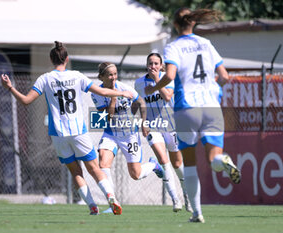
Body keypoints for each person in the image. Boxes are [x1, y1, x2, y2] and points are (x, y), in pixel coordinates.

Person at [0, 41, 134, 215]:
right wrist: (121, 92)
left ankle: (93, 207)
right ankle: (111, 197)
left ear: (51, 59)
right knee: (94, 168)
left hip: (58, 134)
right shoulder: (77, 76)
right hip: (78, 131)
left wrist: (10, 87)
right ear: (67, 59)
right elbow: (102, 92)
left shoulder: (45, 79)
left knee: (75, 171)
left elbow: (26, 101)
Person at [145, 8, 241, 223]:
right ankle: (222, 160)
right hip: (211, 106)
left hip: (186, 108)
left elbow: (169, 76)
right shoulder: (206, 43)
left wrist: (153, 88)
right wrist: (210, 87)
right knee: (213, 158)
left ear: (177, 25)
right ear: (193, 23)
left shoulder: (174, 47)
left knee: (189, 165)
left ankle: (197, 213)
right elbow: (225, 76)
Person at [91, 62, 164, 212]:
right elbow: (109, 117)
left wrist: (144, 122)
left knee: (135, 174)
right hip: (111, 133)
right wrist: (114, 98)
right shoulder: (96, 93)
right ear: (101, 77)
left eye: (115, 74)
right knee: (103, 163)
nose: (113, 78)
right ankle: (113, 203)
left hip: (129, 134)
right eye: (110, 75)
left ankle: (153, 165)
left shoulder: (124, 87)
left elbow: (141, 102)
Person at [134, 52, 192, 213]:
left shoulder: (168, 78)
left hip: (171, 124)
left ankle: (186, 194)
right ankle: (175, 199)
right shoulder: (139, 83)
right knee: (162, 159)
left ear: (161, 66)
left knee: (177, 164)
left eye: (156, 64)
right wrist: (142, 122)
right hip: (154, 126)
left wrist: (157, 81)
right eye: (150, 63)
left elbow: (167, 97)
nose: (153, 66)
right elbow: (141, 103)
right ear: (146, 65)